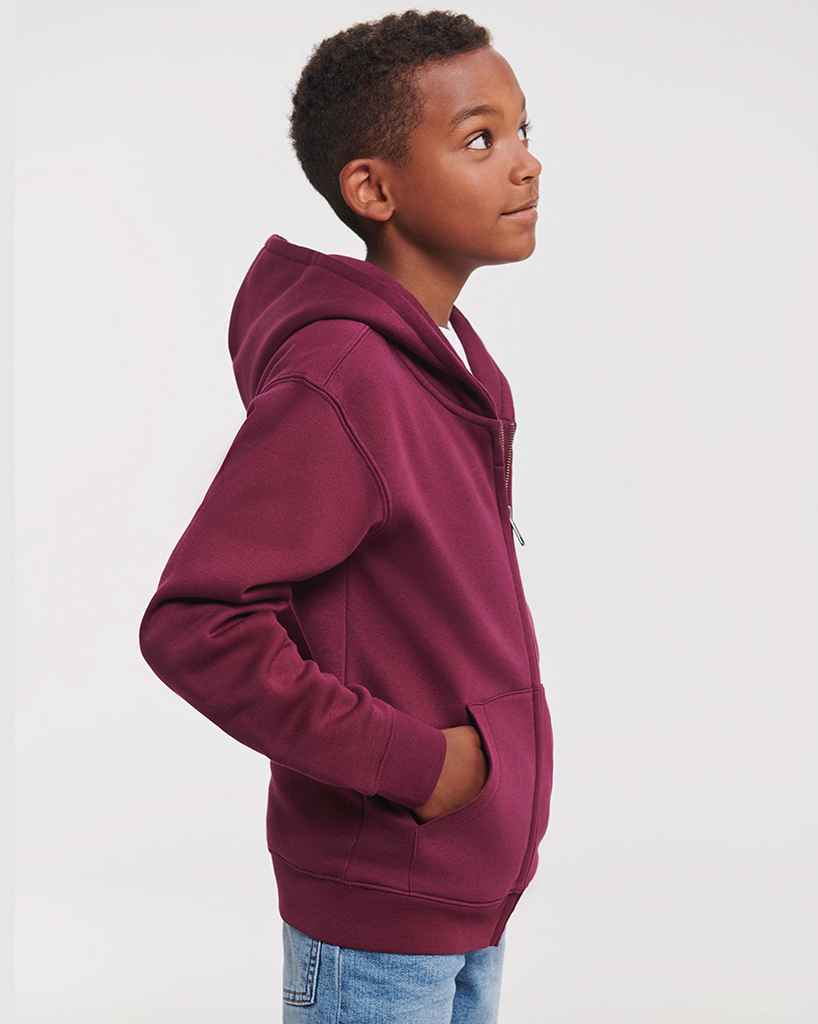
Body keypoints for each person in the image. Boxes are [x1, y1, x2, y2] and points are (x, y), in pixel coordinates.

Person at [138, 9, 553, 1022]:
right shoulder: (345, 376)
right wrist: (416, 765)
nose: (525, 163)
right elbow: (196, 623)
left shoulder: (449, 363)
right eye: (479, 139)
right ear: (372, 190)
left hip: (458, 891)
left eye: (523, 129)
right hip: (378, 914)